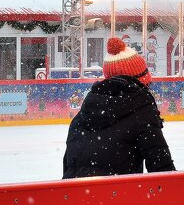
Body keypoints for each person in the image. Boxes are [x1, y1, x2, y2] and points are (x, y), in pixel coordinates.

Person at [62, 38, 176, 178]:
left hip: (75, 195)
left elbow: (69, 168)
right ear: (140, 80)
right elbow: (162, 169)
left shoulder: (82, 114)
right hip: (119, 196)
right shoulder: (142, 109)